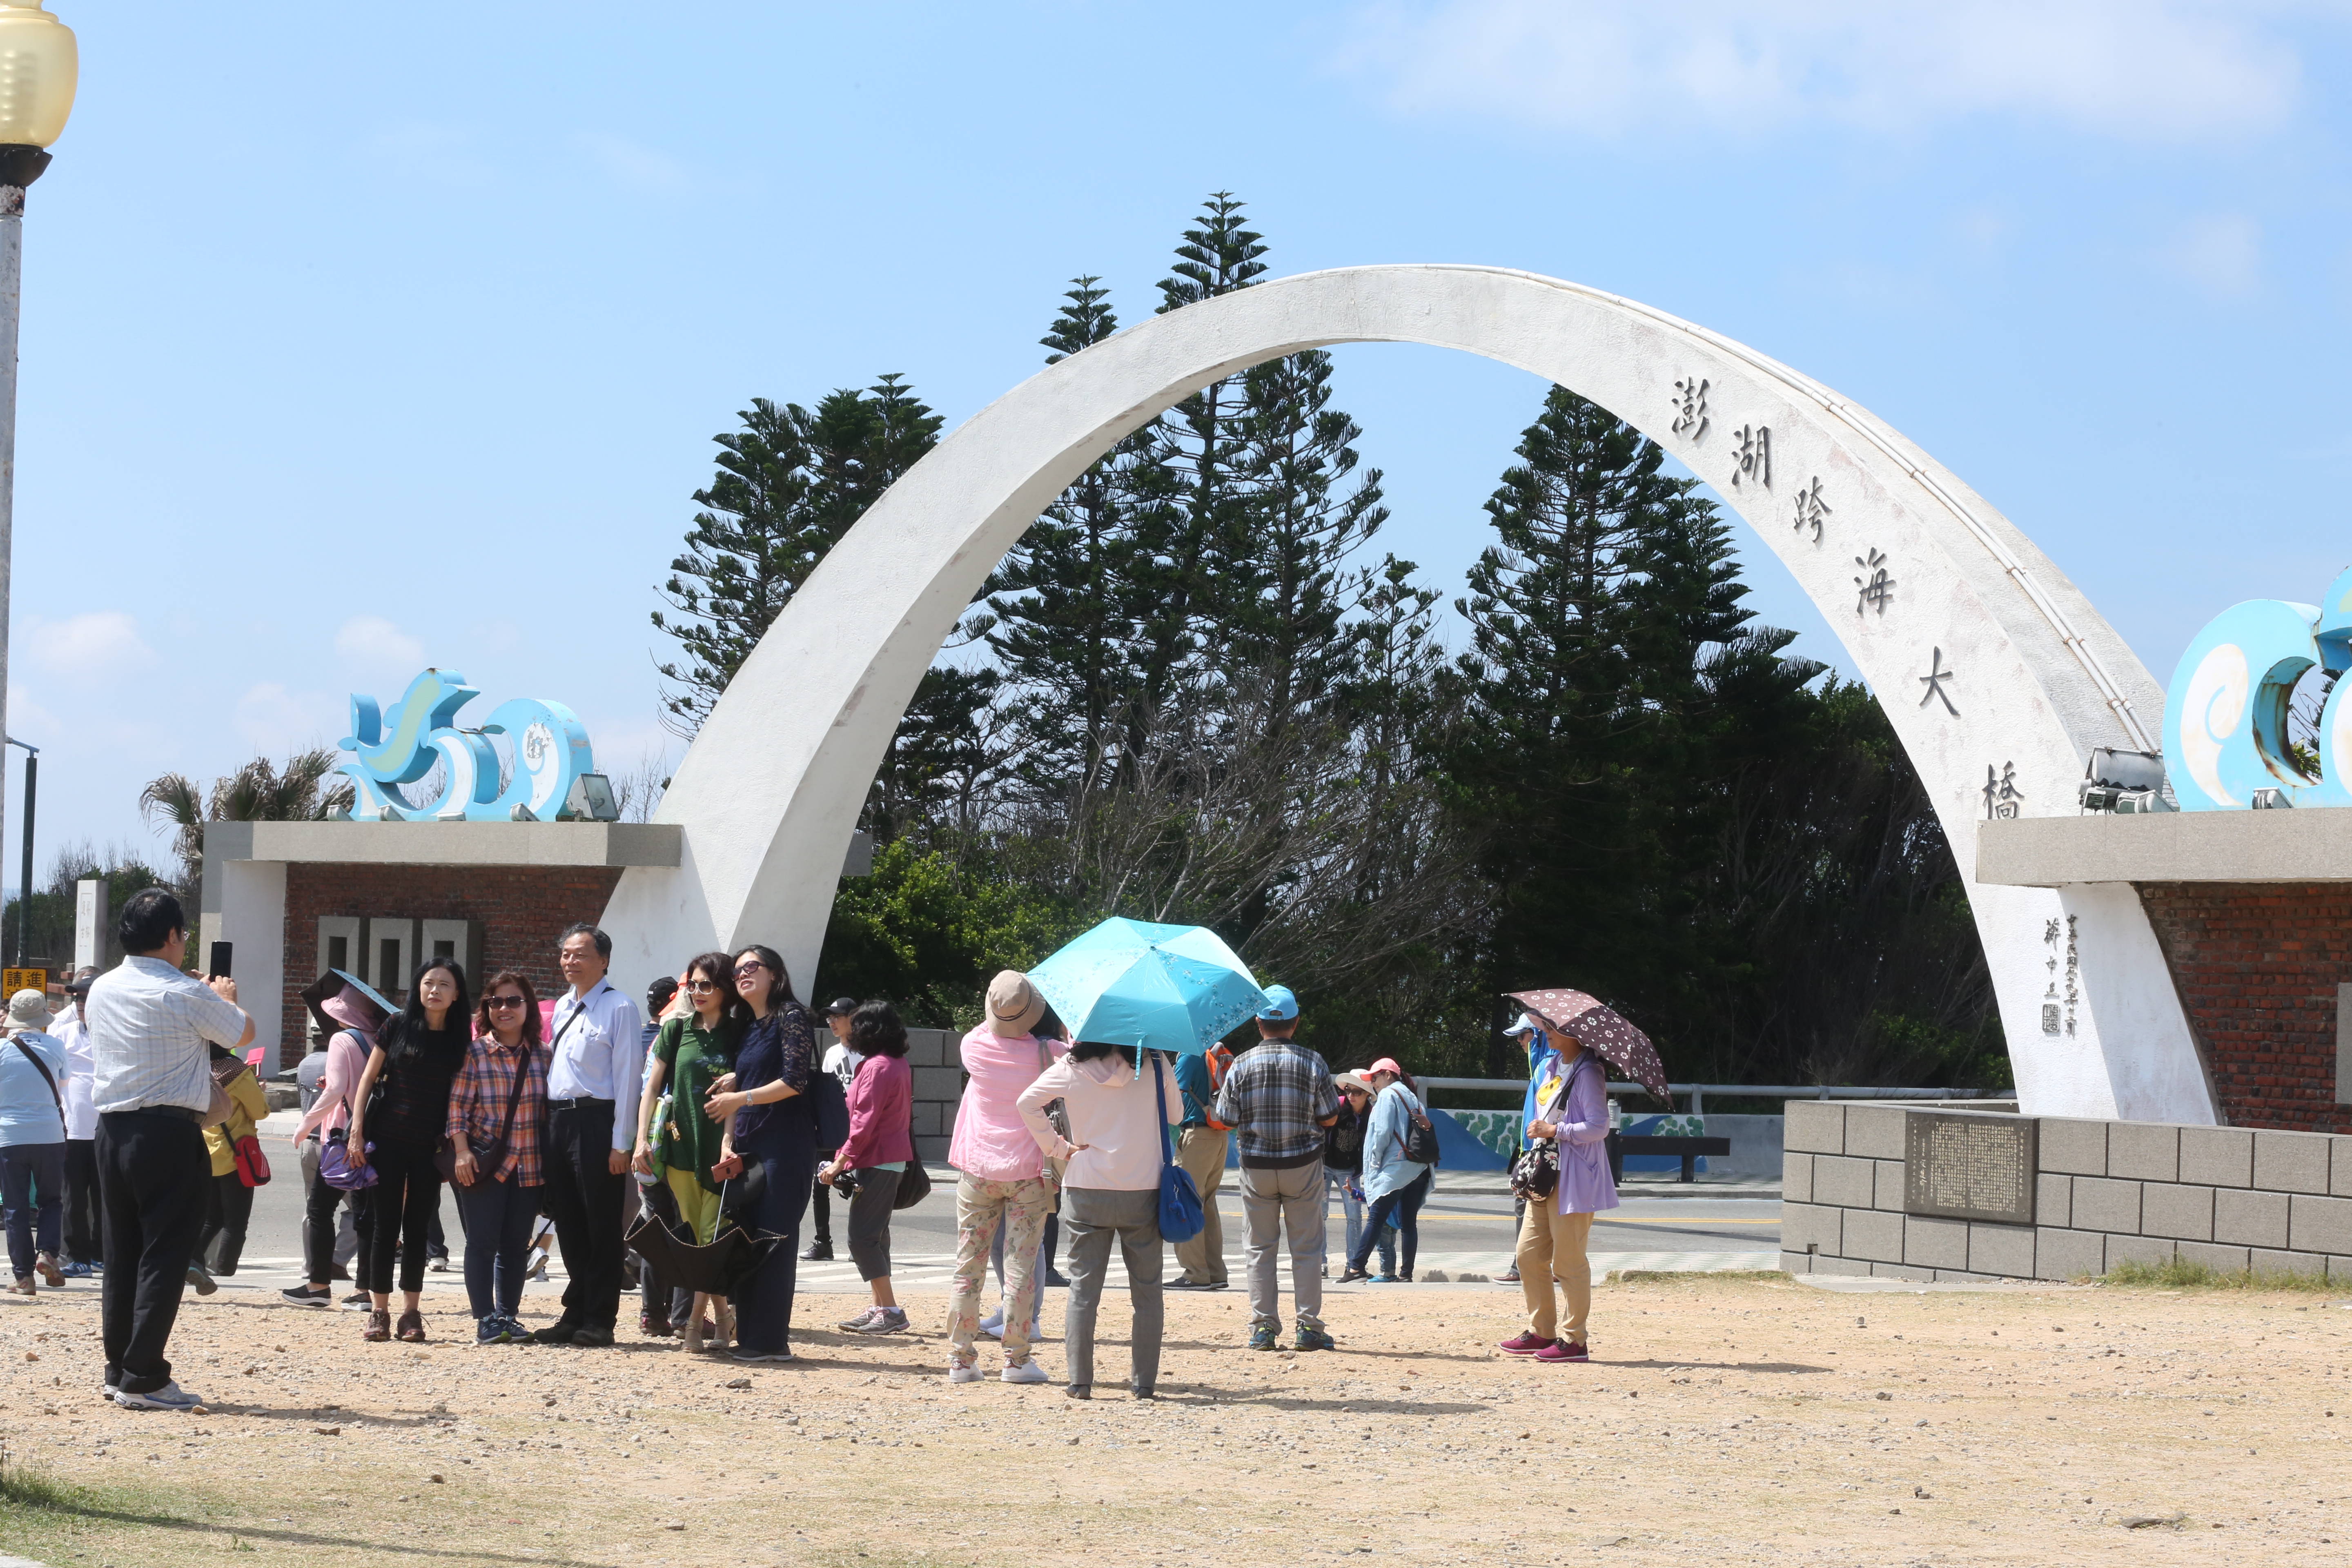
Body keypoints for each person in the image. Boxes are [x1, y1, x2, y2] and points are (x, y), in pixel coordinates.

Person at [86, 887, 253, 1411]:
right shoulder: (184, 991)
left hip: (111, 1132)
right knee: (166, 1254)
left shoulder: (102, 988)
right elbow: (243, 1033)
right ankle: (145, 1377)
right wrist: (222, 998)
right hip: (169, 1133)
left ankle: (119, 1368)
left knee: (122, 1255)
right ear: (174, 936)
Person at [1016, 1038, 1183, 1400]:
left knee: (1083, 1290)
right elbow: (1176, 1116)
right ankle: (1144, 1384)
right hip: (1144, 1186)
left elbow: (1026, 1102)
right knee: (1148, 1292)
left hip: (1087, 1185)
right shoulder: (1155, 1061)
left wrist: (1058, 1148)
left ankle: (1080, 1382)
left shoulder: (1070, 1066)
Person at [942, 971, 1061, 1384]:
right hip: (1029, 1171)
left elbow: (987, 1024)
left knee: (968, 1264)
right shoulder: (1051, 1055)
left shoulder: (972, 1045)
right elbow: (1079, 1058)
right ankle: (1016, 1359)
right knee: (1020, 1268)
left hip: (977, 1170)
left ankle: (961, 1359)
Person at [347, 958, 471, 1343]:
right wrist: (356, 1131)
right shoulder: (397, 1024)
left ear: (455, 995)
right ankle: (379, 1313)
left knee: (418, 1230)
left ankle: (411, 1313)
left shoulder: (459, 1039)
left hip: (429, 1147)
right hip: (386, 1141)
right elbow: (368, 1078)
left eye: (444, 985)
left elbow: (464, 1095)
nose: (434, 990)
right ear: (418, 988)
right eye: (428, 983)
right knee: (385, 1228)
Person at [532, 923, 644, 1348]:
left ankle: (600, 1318)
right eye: (566, 954)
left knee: (601, 1225)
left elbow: (628, 1078)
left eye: (580, 954)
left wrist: (621, 1143)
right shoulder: (561, 1006)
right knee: (571, 1223)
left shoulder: (620, 1007)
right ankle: (575, 1310)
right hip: (559, 1122)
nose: (570, 962)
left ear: (604, 960)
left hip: (599, 1122)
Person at [1211, 984, 1339, 1353]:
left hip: (1256, 1168)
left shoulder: (1242, 1064)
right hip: (1303, 1165)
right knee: (1308, 1247)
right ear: (1296, 1023)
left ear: (1258, 1023)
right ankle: (1309, 1327)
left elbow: (1227, 1117)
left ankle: (1263, 1328)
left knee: (1259, 1248)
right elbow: (1329, 1116)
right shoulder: (1314, 1062)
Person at [704, 944, 816, 1363]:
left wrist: (740, 1098)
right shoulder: (750, 1025)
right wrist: (727, 1140)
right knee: (748, 1239)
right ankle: (748, 1337)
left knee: (774, 1241)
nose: (743, 975)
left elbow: (794, 1081)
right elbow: (742, 1087)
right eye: (738, 971)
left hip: (785, 1144)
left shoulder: (792, 1017)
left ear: (774, 973)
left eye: (752, 967)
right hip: (750, 1143)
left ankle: (769, 1342)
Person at [634, 951, 746, 1352]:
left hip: (717, 1152)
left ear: (724, 990)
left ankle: (700, 1325)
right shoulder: (676, 1030)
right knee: (699, 1240)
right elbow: (651, 1088)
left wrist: (729, 1143)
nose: (698, 993)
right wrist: (641, 1140)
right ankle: (715, 1322)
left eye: (707, 985)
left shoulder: (738, 1033)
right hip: (679, 1151)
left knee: (709, 1237)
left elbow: (736, 1095)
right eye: (693, 985)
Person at [1499, 1034, 1619, 1363]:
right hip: (1547, 1172)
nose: (1548, 1031)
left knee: (1569, 1261)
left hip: (1575, 1176)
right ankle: (1542, 1331)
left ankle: (1575, 1340)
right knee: (1527, 1255)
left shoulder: (1589, 1072)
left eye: (1555, 1027)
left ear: (1578, 1035)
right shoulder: (1550, 1066)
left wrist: (1555, 1131)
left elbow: (1598, 1127)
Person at [446, 970, 550, 1344]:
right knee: (482, 1242)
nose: (504, 1009)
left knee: (516, 1246)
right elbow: (456, 1109)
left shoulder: (543, 1055)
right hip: (484, 1162)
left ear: (529, 1006)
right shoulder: (474, 1054)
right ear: (486, 1008)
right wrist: (460, 1152)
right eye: (496, 1002)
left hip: (531, 1165)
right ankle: (485, 1319)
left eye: (513, 1001)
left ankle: (507, 1316)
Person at [281, 980, 385, 1309]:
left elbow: (335, 1090)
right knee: (366, 1215)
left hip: (342, 1137)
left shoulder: (342, 1039)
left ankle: (318, 1286)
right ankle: (363, 1293)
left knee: (320, 1210)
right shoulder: (378, 1040)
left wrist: (305, 1124)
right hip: (374, 1137)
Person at [818, 1000, 913, 1336]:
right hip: (888, 1158)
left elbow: (862, 1122)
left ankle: (890, 1310)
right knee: (876, 1237)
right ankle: (879, 1306)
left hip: (876, 1158)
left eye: (858, 1025)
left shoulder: (876, 1067)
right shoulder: (896, 1063)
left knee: (861, 1238)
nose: (852, 1030)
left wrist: (840, 1161)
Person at [633, 971, 690, 1339]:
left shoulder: (657, 1036)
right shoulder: (688, 1035)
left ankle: (653, 1312)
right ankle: (685, 1315)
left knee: (658, 1227)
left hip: (652, 1145)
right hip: (679, 1145)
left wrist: (639, 1141)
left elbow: (645, 1092)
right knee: (688, 1229)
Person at [1338, 1058, 1431, 1284]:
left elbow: (1380, 1133)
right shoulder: (1412, 1097)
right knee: (1409, 1223)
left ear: (1388, 1075)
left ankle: (1356, 1268)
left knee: (1376, 1218)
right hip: (1419, 1165)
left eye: (1375, 1077)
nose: (1374, 1083)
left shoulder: (1388, 1096)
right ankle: (1406, 1274)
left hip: (1397, 1167)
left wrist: (1373, 1167)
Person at [1, 989, 69, 1296]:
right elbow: (63, 1085)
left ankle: (23, 1279)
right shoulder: (56, 1046)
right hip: (49, 1134)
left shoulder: (1, 1050)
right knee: (50, 1200)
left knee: (15, 1208)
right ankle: (48, 1252)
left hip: (9, 1137)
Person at [189, 1042, 270, 1286]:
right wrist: (258, 1090)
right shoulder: (238, 1071)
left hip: (205, 1152)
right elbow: (260, 1112)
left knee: (211, 1218)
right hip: (236, 1155)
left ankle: (191, 1262)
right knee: (236, 1221)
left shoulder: (196, 1068)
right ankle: (225, 1274)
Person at [1166, 1030, 1234, 1292]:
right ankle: (1215, 1271)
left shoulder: (1189, 1056)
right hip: (1218, 1135)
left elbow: (1175, 1097)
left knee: (1185, 1201)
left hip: (1197, 1135)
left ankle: (1195, 1273)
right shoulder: (1213, 1052)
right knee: (1207, 1205)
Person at [1499, 1013, 1557, 1285]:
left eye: (1523, 1036)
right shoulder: (1548, 1063)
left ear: (1538, 1035)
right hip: (1540, 1149)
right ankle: (1533, 1266)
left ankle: (1524, 1267)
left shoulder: (1547, 1066)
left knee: (1529, 1206)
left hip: (1540, 1151)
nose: (1520, 1043)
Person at [803, 997, 859, 1263]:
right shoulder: (831, 1054)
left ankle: (861, 1243)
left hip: (859, 1127)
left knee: (861, 1185)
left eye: (838, 1017)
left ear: (854, 1018)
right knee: (820, 1182)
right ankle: (822, 1242)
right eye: (830, 1018)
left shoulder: (868, 1054)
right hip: (833, 1125)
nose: (833, 1022)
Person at [1323, 1072, 1393, 1279]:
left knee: (1355, 1217)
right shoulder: (1338, 1106)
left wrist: (1362, 1168)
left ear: (1367, 1094)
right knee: (1320, 1214)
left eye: (1357, 1092)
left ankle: (1353, 1264)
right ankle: (1320, 1263)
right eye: (1348, 1091)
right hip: (1324, 1166)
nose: (1352, 1096)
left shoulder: (1371, 1114)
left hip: (1349, 1170)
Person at [53, 970, 99, 1277]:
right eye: (77, 998)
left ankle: (103, 1255)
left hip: (109, 1129)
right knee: (73, 1198)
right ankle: (76, 1256)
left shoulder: (118, 1033)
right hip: (72, 1129)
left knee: (107, 1198)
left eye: (86, 998)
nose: (80, 1003)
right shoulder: (63, 1034)